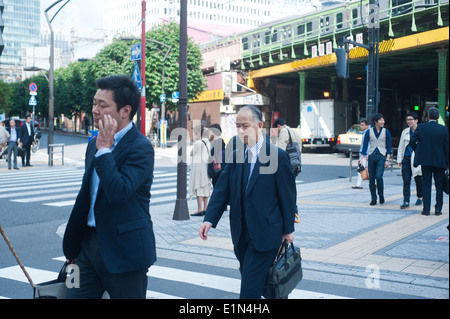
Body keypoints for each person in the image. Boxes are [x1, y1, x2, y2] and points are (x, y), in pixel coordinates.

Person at [63, 75, 156, 299]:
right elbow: (86, 197)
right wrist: (75, 247)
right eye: (94, 103)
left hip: (125, 251)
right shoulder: (93, 144)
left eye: (102, 105)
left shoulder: (141, 148)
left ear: (125, 111)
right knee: (71, 295)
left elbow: (119, 192)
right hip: (87, 248)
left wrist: (104, 150)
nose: (94, 110)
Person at [198, 105, 297, 299]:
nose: (241, 131)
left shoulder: (277, 156)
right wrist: (209, 219)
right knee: (264, 286)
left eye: (246, 126)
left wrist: (288, 229)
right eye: (238, 126)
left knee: (249, 291)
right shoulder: (235, 156)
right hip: (241, 234)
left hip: (266, 234)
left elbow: (287, 196)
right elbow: (222, 190)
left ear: (259, 125)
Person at [409, 107, 449, 216]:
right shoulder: (444, 129)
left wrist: (418, 150)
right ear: (438, 117)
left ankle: (426, 209)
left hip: (425, 161)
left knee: (426, 184)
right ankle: (438, 209)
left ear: (428, 116)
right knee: (439, 185)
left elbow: (412, 141)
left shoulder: (421, 127)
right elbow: (447, 147)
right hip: (440, 161)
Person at [360, 113, 392, 206]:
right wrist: (361, 159)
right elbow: (365, 145)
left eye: (383, 120)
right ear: (375, 121)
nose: (383, 122)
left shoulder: (386, 132)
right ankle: (373, 198)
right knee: (371, 179)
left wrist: (387, 160)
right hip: (371, 156)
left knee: (379, 176)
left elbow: (389, 147)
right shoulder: (368, 132)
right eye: (381, 120)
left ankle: (381, 195)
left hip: (381, 156)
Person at [397, 112, 422, 209]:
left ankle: (420, 197)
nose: (409, 121)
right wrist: (400, 159)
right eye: (407, 120)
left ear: (416, 120)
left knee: (418, 179)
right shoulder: (405, 132)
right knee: (406, 180)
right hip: (406, 159)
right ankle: (406, 200)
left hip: (417, 159)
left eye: (411, 119)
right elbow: (401, 146)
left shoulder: (421, 131)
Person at [189, 124, 211, 216]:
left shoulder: (198, 143)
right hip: (206, 168)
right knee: (206, 188)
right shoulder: (208, 142)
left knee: (199, 187)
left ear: (199, 133)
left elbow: (191, 153)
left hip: (199, 168)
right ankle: (205, 208)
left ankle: (199, 210)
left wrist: (195, 142)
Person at [353, 119, 370, 189]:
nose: (361, 126)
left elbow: (368, 145)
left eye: (362, 125)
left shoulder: (367, 132)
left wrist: (366, 155)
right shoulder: (366, 132)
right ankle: (374, 183)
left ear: (367, 126)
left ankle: (358, 184)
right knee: (369, 169)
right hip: (365, 154)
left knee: (361, 169)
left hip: (365, 154)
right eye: (360, 125)